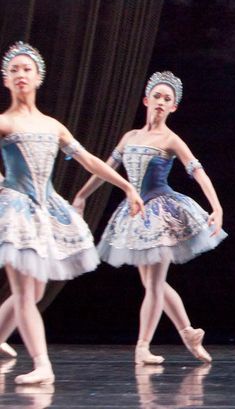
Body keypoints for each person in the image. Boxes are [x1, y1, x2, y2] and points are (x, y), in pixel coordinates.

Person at [0, 42, 143, 385]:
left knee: (33, 294)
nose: (20, 74)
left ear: (38, 77)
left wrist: (127, 186)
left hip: (45, 210)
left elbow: (89, 160)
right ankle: (42, 365)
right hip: (16, 211)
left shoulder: (53, 126)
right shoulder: (4, 122)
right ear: (5, 80)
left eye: (26, 69)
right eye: (14, 70)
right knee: (24, 293)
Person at [71, 71, 225, 365]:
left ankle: (143, 346)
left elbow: (198, 172)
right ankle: (188, 333)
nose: (161, 102)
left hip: (161, 215)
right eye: (157, 96)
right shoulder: (130, 137)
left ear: (173, 107)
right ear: (146, 100)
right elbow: (106, 170)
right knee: (153, 283)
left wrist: (216, 207)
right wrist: (82, 195)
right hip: (137, 214)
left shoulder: (171, 139)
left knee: (154, 283)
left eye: (167, 99)